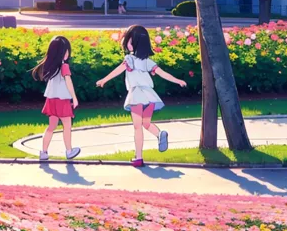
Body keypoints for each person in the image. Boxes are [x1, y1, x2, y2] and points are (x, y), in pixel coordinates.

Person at [96, 25, 186, 167]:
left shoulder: (129, 59)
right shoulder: (147, 62)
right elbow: (163, 73)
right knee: (146, 123)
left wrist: (103, 80)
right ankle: (159, 134)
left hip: (137, 95)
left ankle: (139, 158)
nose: (128, 44)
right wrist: (178, 81)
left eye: (130, 41)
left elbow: (118, 70)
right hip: (150, 96)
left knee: (138, 127)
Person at [32, 36, 80, 161]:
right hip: (62, 100)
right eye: (66, 51)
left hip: (51, 100)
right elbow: (69, 82)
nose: (67, 53)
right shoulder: (64, 66)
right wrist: (74, 98)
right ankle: (69, 151)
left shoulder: (51, 67)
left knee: (51, 127)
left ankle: (43, 152)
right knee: (67, 127)